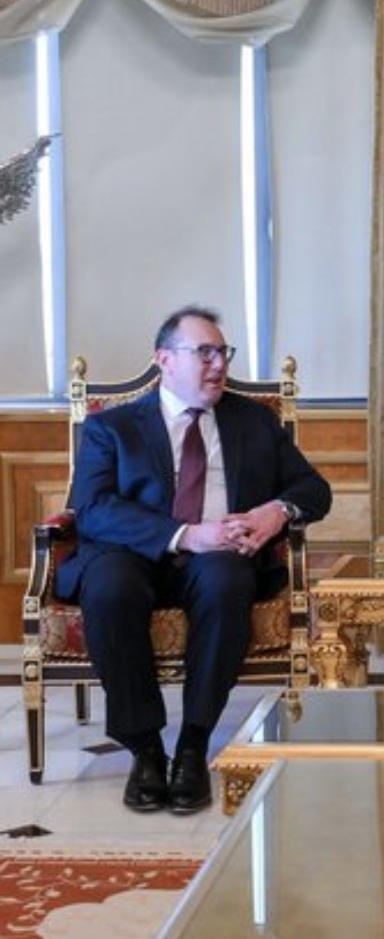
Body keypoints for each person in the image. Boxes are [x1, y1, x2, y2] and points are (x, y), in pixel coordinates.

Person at [55, 306, 332, 814]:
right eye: (204, 353)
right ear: (165, 359)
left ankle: (192, 747)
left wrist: (275, 511)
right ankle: (144, 751)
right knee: (110, 586)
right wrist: (184, 535)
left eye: (222, 353)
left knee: (227, 579)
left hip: (219, 557)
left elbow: (314, 489)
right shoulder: (112, 427)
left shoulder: (253, 421)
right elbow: (92, 509)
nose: (218, 364)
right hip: (133, 553)